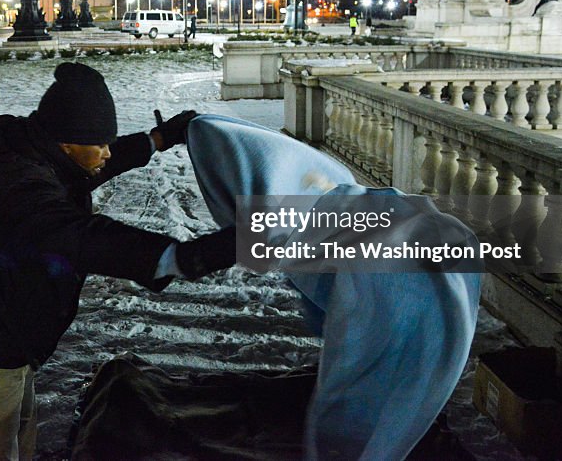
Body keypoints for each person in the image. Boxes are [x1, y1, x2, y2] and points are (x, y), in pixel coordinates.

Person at [0, 62, 234, 459]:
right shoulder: (20, 190)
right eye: (99, 143)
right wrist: (188, 257)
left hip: (5, 335)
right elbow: (87, 239)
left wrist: (156, 140)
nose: (107, 151)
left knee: (18, 435)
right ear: (65, 145)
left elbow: (92, 167)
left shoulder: (33, 148)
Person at [186, 115, 480, 460]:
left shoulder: (284, 220)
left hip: (399, 268)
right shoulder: (304, 177)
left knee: (366, 385)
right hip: (428, 249)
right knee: (404, 374)